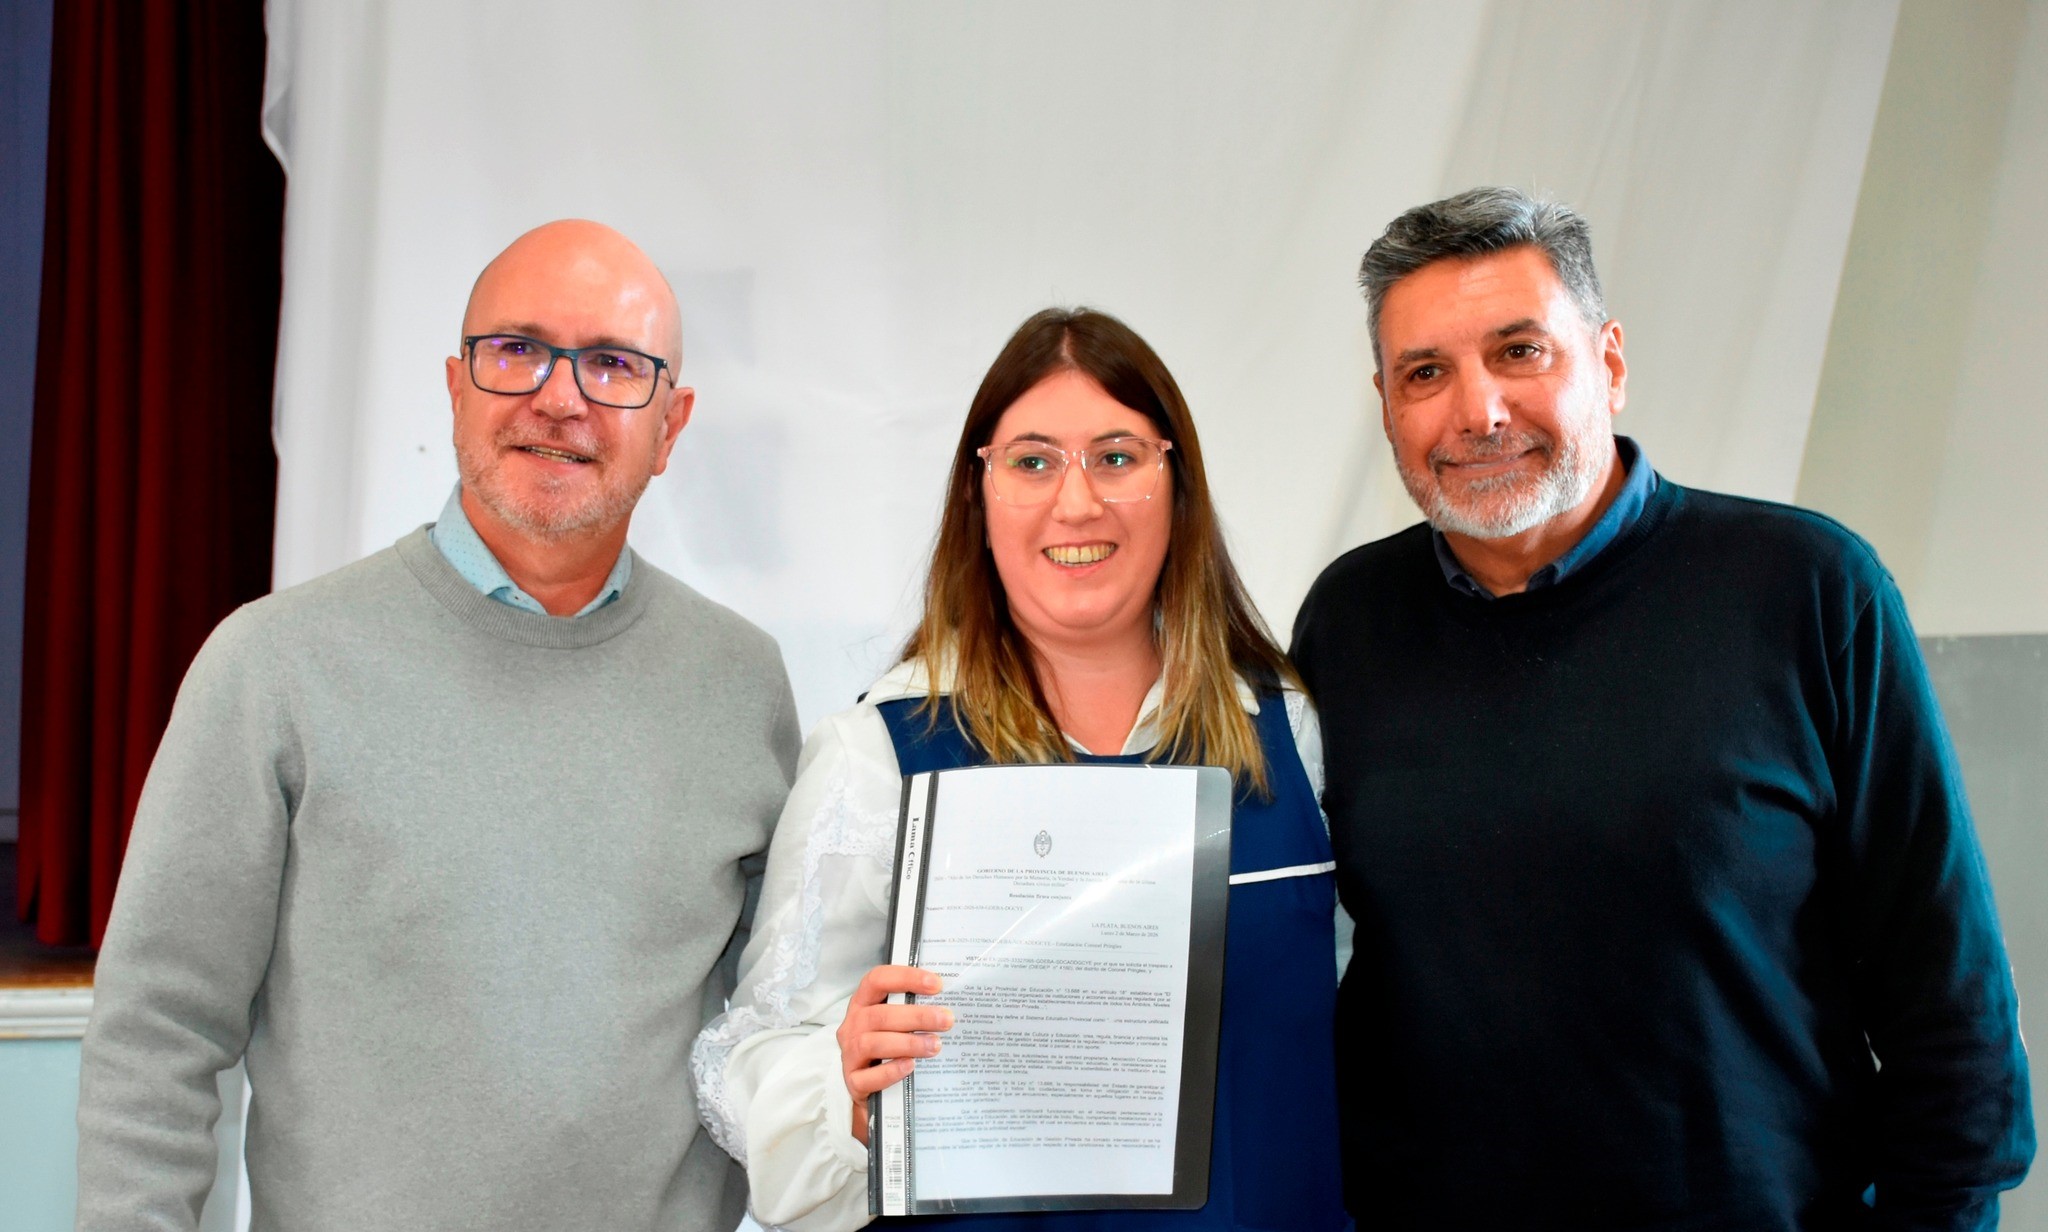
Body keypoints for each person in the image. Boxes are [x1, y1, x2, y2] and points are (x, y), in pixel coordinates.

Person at [1290, 186, 2034, 1230]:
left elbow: (1947, 992)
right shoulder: (1348, 619)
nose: (1478, 412)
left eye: (1518, 352)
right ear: (1384, 403)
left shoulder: (1807, 589)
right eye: (1426, 373)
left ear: (1609, 362)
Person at [75, 220, 799, 1232]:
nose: (560, 397)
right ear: (457, 389)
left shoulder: (739, 682)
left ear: (670, 427)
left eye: (612, 364)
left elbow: (780, 1025)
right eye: (517, 349)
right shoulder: (273, 666)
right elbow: (159, 1030)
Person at [692, 308, 1351, 1232]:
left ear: (1177, 488)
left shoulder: (1287, 732)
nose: (1075, 503)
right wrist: (845, 1083)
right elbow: (754, 1061)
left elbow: (1353, 1031)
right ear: (980, 496)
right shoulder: (877, 759)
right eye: (1032, 462)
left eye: (1116, 456)